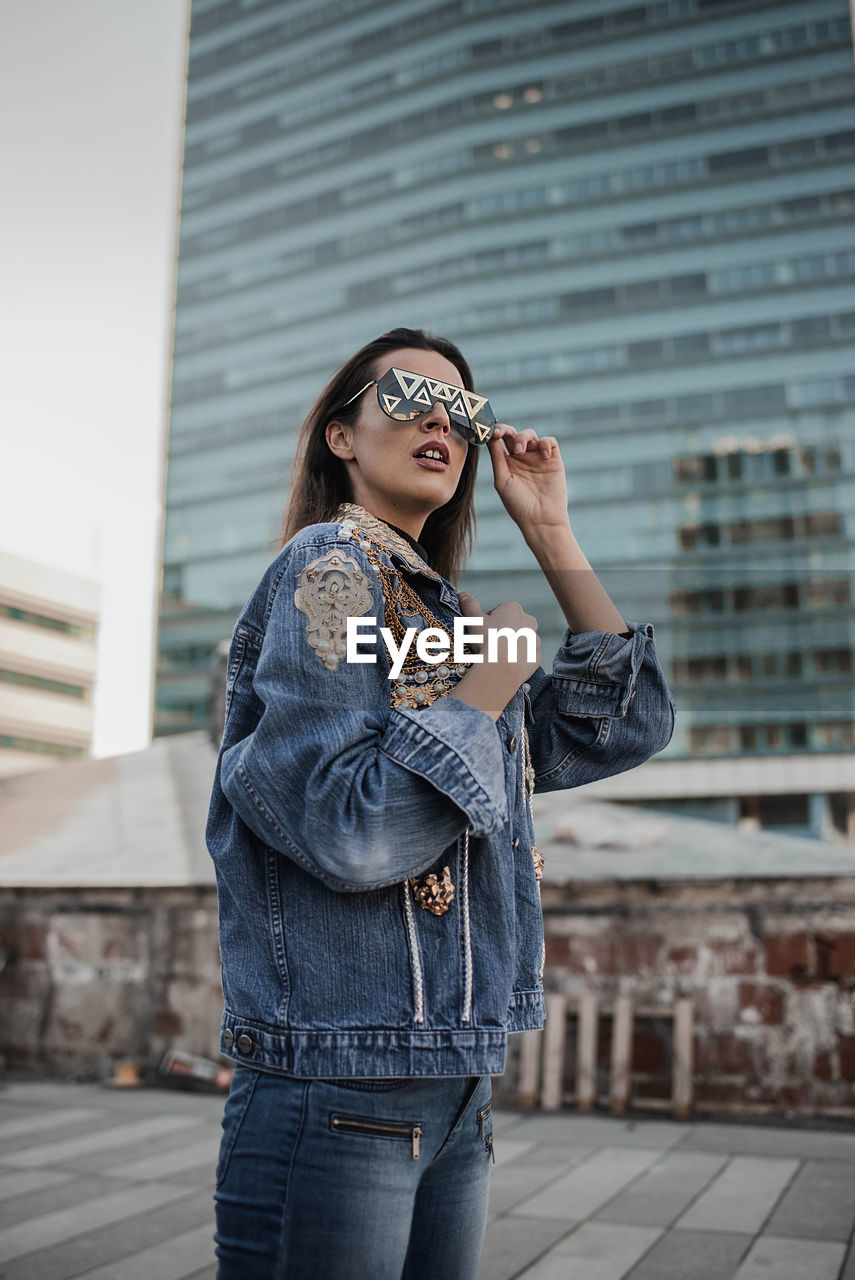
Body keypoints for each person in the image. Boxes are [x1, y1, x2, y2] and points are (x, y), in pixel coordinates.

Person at [206, 327, 676, 1279]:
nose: (440, 421)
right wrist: (488, 684)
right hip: (338, 1088)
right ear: (341, 435)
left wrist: (548, 530)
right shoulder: (329, 570)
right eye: (409, 396)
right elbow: (348, 827)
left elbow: (617, 726)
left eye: (462, 411)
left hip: (452, 1085)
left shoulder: (438, 618)